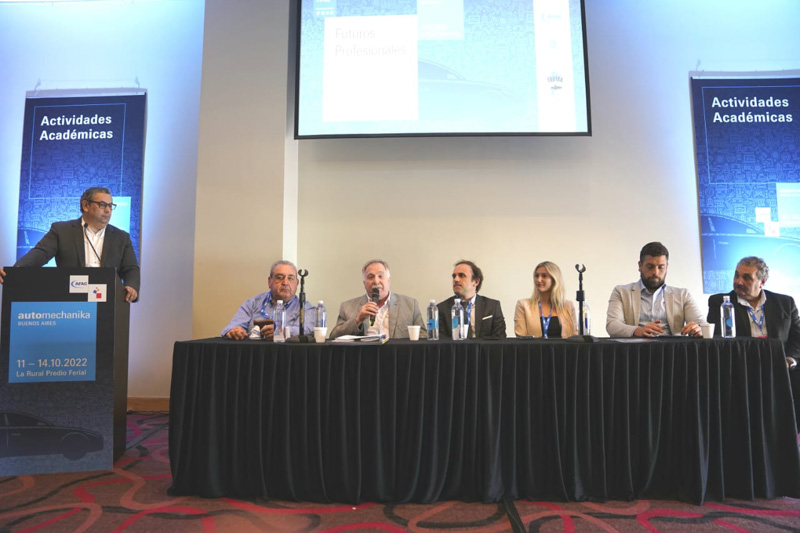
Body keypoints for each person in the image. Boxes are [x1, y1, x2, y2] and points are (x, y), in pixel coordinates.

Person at [0, 187, 140, 302]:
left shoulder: (121, 237)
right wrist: (14, 272)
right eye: (102, 205)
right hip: (70, 303)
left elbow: (131, 269)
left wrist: (131, 286)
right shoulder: (62, 231)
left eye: (110, 206)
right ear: (86, 205)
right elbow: (40, 253)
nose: (108, 210)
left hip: (107, 301)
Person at [707, 256, 800, 369]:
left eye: (746, 278)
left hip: (779, 365)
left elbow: (797, 336)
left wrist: (790, 360)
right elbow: (717, 340)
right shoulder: (720, 303)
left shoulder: (785, 303)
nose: (739, 282)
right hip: (741, 367)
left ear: (762, 281)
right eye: (737, 275)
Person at [606, 241, 704, 337]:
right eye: (650, 267)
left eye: (661, 267)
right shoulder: (621, 292)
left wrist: (698, 328)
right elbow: (612, 325)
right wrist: (637, 330)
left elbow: (702, 324)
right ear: (640, 266)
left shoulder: (683, 295)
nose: (655, 272)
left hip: (672, 346)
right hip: (636, 346)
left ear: (667, 267)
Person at [330, 259, 425, 339]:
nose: (376, 281)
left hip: (397, 355)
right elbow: (334, 337)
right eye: (370, 277)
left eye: (380, 276)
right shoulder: (347, 307)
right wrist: (358, 319)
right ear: (364, 283)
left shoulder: (410, 305)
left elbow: (423, 337)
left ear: (388, 281)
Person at [221, 260, 316, 340]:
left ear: (297, 284)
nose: (285, 283)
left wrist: (281, 331)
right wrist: (234, 331)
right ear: (270, 282)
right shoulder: (252, 303)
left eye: (290, 278)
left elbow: (306, 330)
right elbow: (231, 327)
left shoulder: (305, 308)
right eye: (280, 278)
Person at [437, 260, 505, 339]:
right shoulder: (441, 309)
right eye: (454, 276)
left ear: (476, 282)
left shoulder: (492, 306)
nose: (456, 279)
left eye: (461, 275)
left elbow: (500, 338)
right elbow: (440, 342)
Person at [514, 261, 577, 338]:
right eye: (536, 276)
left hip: (563, 346)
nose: (538, 280)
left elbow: (574, 336)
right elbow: (521, 337)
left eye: (544, 276)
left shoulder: (568, 306)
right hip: (534, 346)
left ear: (554, 279)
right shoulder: (523, 305)